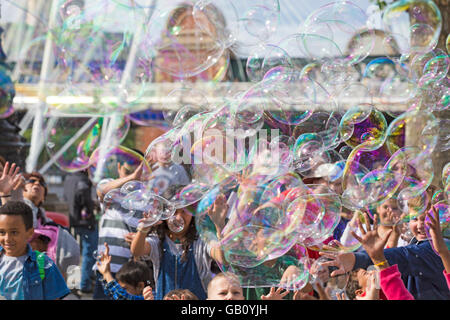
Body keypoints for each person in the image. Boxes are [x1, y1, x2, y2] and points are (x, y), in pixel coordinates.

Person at [320, 210, 450, 300]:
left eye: (428, 218)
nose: (421, 224)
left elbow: (402, 257)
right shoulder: (429, 247)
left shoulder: (435, 248)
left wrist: (366, 258)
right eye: (415, 218)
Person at [130, 198, 226, 300]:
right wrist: (143, 229)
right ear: (164, 214)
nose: (179, 217)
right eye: (174, 211)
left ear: (192, 214)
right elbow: (137, 251)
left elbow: (222, 258)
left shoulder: (201, 240)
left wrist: (219, 226)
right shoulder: (158, 240)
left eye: (184, 211)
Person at [93, 158, 148, 299]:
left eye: (139, 171)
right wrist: (132, 178)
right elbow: (102, 191)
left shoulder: (146, 197)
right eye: (128, 170)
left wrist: (139, 240)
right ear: (119, 167)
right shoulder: (111, 186)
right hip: (106, 268)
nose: (135, 174)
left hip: (130, 276)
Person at [0, 201, 70, 300]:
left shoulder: (44, 264)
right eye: (2, 232)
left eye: (14, 232)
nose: (7, 238)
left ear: (29, 233)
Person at [63, 170, 98, 295]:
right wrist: (90, 206)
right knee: (89, 252)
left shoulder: (68, 178)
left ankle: (78, 282)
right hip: (85, 221)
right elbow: (83, 193)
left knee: (78, 252)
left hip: (74, 220)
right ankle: (84, 284)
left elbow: (66, 197)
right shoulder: (83, 180)